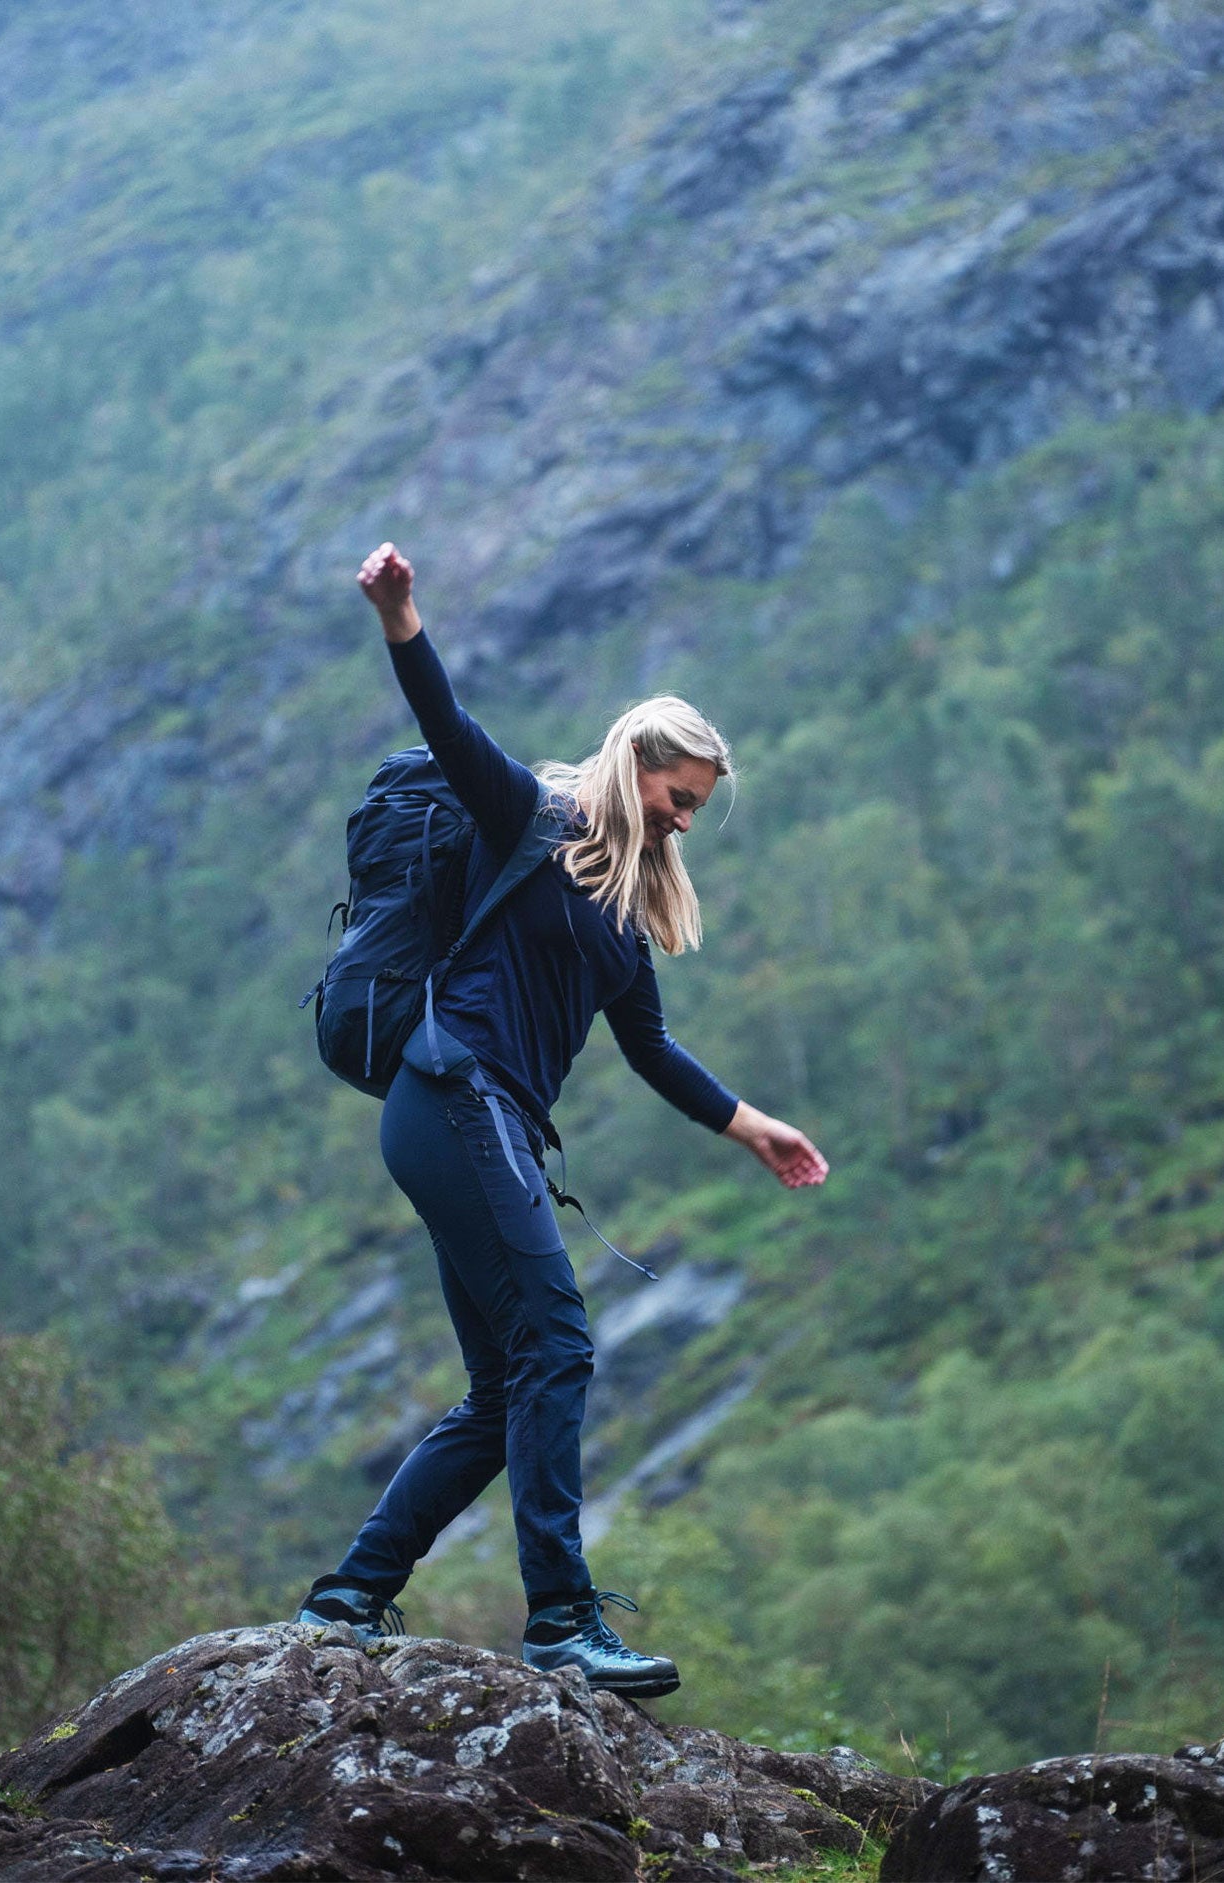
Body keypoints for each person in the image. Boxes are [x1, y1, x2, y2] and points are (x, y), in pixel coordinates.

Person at [294, 542, 828, 1697]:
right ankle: (561, 1620)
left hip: (480, 1123)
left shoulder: (621, 920)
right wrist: (402, 616)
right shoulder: (527, 819)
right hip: (450, 1093)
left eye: (693, 809)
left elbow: (650, 1048)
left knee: (503, 1388)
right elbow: (444, 718)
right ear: (634, 761)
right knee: (558, 1343)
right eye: (675, 798)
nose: (681, 822)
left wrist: (753, 1126)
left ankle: (345, 1597)